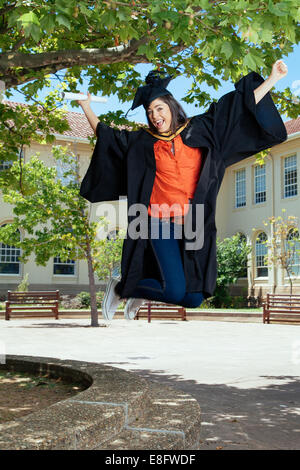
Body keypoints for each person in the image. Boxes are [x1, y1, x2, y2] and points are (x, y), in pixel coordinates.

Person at [78, 60, 288, 321]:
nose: (155, 116)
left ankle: (138, 291)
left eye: (159, 108)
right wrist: (86, 107)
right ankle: (121, 289)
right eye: (150, 111)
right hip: (157, 221)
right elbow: (107, 137)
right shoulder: (144, 142)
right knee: (175, 289)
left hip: (193, 222)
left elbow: (237, 109)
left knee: (194, 297)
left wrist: (272, 80)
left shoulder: (200, 130)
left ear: (171, 106)